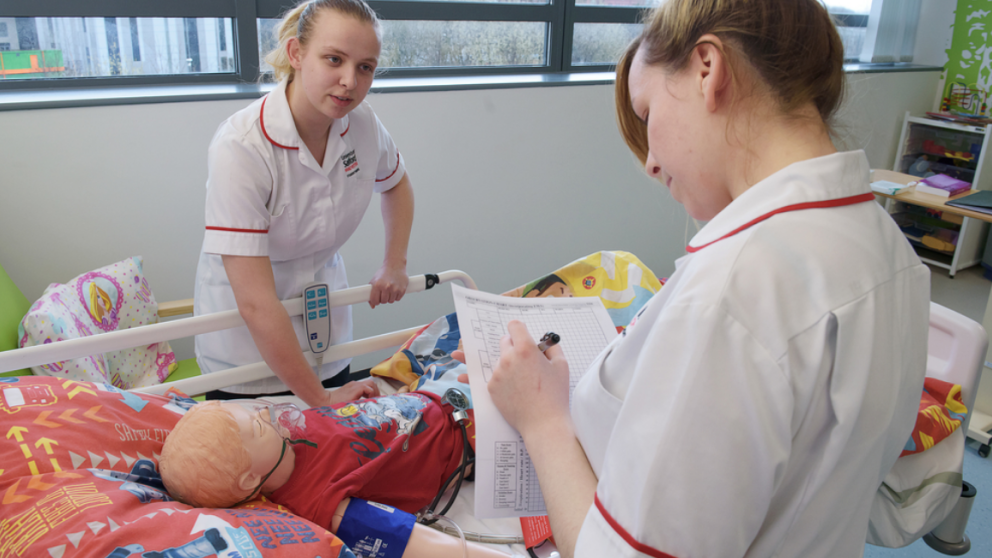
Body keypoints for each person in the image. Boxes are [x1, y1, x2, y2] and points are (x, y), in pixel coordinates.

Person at [477, 1, 931, 557]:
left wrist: (543, 422)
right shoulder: (888, 249)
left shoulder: (733, 293)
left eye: (646, 115)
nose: (648, 162)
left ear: (707, 70)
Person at [193, 0, 414, 408]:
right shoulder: (242, 146)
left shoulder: (363, 124)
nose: (349, 80)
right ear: (296, 54)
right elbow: (257, 304)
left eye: (365, 67)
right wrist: (321, 400)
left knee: (334, 460)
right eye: (334, 59)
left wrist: (394, 263)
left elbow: (397, 185)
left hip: (326, 326)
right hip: (248, 352)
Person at [159, 395, 512, 558]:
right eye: (256, 425)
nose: (266, 414)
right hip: (468, 440)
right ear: (250, 481)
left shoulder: (285, 438)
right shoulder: (318, 502)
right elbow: (418, 543)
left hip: (437, 397)